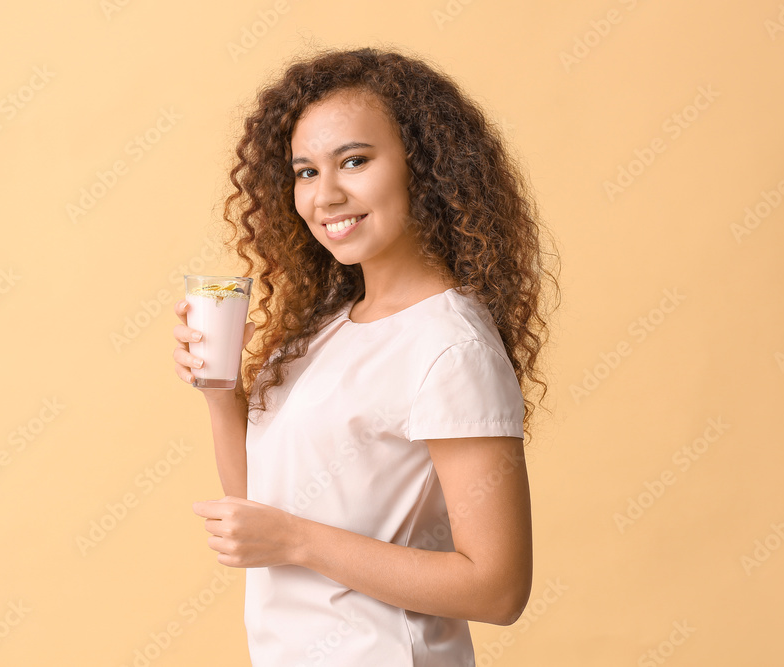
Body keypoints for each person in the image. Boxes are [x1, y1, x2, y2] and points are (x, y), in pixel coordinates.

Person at [173, 46, 558, 666]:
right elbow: (262, 512)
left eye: (354, 161)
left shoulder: (449, 346)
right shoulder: (325, 331)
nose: (325, 195)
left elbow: (498, 588)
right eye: (304, 172)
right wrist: (221, 395)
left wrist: (300, 542)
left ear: (424, 167)